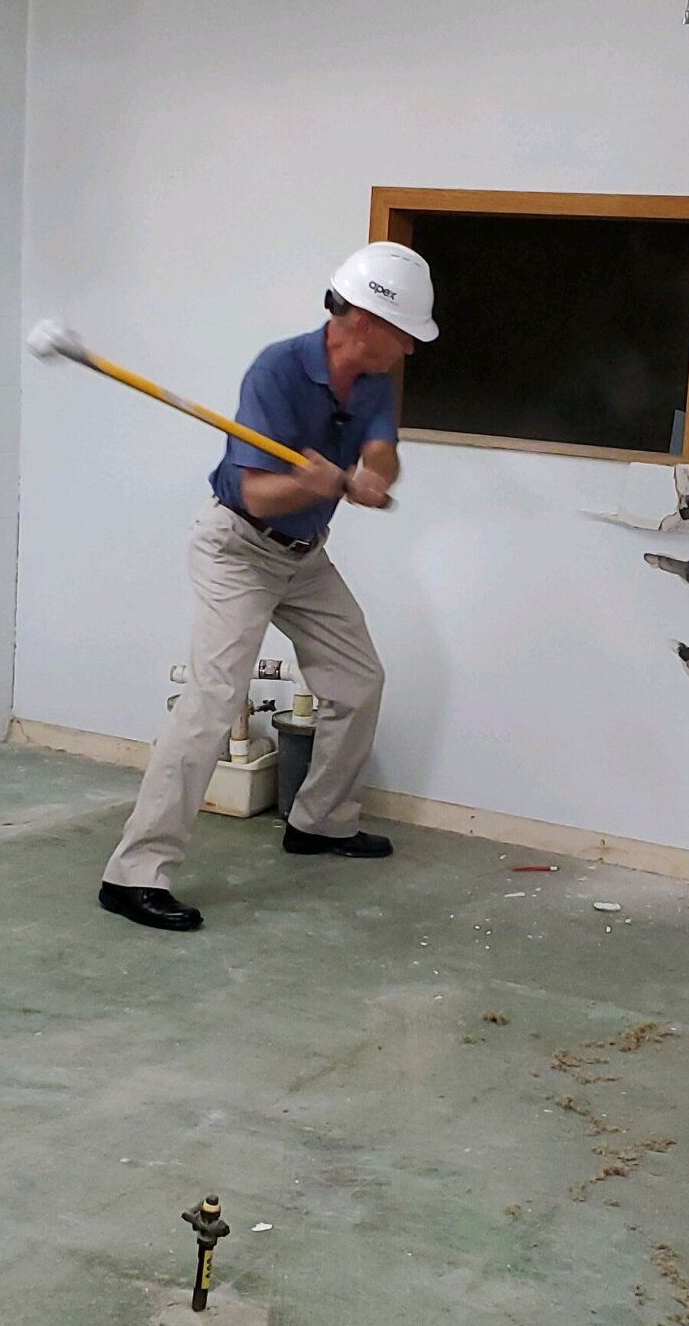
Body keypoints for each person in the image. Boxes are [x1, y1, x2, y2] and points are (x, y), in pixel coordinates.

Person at [98, 242, 438, 933]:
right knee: (213, 700)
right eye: (406, 334)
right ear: (368, 323)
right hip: (238, 549)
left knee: (358, 679)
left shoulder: (371, 377)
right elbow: (255, 491)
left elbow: (381, 445)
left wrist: (376, 473)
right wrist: (305, 484)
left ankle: (320, 821)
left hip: (304, 557)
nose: (410, 349)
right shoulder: (277, 372)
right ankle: (132, 873)